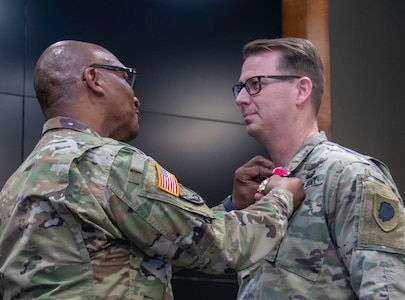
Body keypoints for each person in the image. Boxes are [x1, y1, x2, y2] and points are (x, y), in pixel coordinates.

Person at [0, 40, 305, 300]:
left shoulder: (19, 181)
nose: (135, 96)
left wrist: (232, 206)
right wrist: (281, 197)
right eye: (125, 77)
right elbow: (221, 249)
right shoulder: (108, 163)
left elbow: (135, 257)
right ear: (94, 79)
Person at [223, 37, 405, 299]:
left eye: (255, 84)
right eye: (240, 87)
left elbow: (387, 293)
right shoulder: (260, 188)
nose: (240, 99)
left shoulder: (350, 175)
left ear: (301, 90)